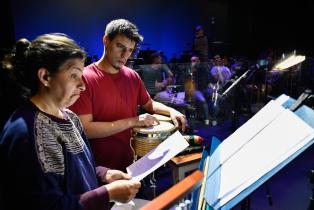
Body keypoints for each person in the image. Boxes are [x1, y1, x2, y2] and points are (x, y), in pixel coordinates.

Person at [0, 33, 141, 210]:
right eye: (74, 75)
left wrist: (105, 174)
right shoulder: (26, 133)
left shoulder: (69, 116)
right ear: (45, 77)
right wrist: (108, 193)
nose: (82, 85)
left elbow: (78, 168)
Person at [69, 19, 186, 172]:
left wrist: (171, 111)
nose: (125, 55)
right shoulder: (85, 78)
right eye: (120, 47)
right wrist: (133, 121)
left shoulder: (132, 76)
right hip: (98, 170)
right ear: (106, 40)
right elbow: (85, 129)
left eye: (130, 50)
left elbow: (149, 104)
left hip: (131, 164)